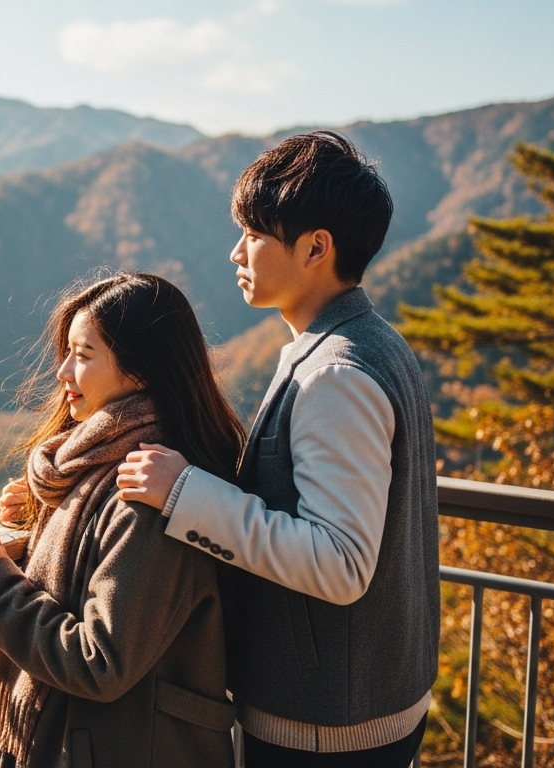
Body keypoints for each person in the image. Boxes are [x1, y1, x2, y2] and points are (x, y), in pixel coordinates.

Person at [116, 132, 439, 767]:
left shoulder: (336, 374)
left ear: (317, 247)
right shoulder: (374, 342)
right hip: (371, 700)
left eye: (255, 235)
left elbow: (341, 563)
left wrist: (183, 493)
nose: (236, 251)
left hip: (324, 725)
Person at [0, 273, 247, 768]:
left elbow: (99, 662)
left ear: (142, 370)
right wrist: (44, 517)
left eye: (84, 355)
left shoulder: (147, 488)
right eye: (65, 353)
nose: (63, 371)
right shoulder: (110, 470)